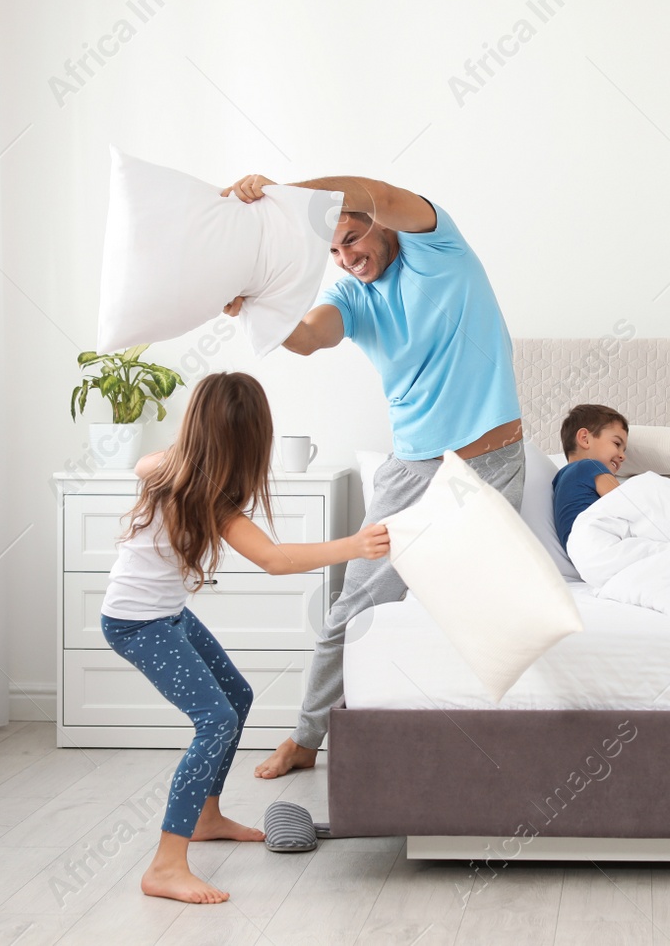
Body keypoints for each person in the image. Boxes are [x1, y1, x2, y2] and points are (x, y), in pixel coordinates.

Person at [220, 173, 525, 778]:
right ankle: (307, 739)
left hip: (488, 467)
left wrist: (284, 192)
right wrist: (255, 309)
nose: (347, 258)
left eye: (352, 239)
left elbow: (375, 191)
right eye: (333, 251)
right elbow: (310, 337)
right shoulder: (355, 297)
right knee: (353, 609)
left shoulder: (439, 248)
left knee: (481, 610)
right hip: (410, 472)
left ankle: (479, 748)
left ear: (379, 225)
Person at [100, 372, 389, 904]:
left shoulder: (176, 472)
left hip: (167, 615)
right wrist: (355, 545)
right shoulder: (206, 499)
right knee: (216, 720)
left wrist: (170, 462)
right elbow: (277, 561)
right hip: (136, 623)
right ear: (250, 443)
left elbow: (144, 464)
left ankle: (206, 817)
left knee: (236, 696)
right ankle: (165, 865)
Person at [551, 404, 627, 550]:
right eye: (617, 443)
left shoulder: (559, 479)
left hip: (580, 552)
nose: (623, 456)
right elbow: (626, 504)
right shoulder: (590, 466)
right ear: (585, 438)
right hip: (599, 542)